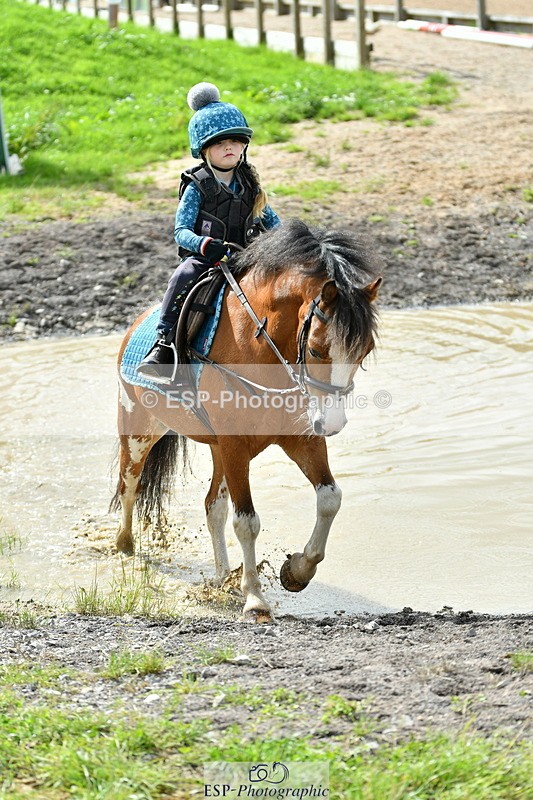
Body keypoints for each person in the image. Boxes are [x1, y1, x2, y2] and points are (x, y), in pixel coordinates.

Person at [136, 82, 280, 383]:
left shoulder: (250, 184)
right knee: (182, 276)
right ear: (204, 150)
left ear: (244, 145)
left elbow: (272, 223)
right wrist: (205, 245)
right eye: (219, 144)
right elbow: (181, 232)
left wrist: (294, 242)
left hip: (244, 258)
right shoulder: (196, 185)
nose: (228, 148)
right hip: (206, 260)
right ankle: (165, 346)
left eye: (234, 141)